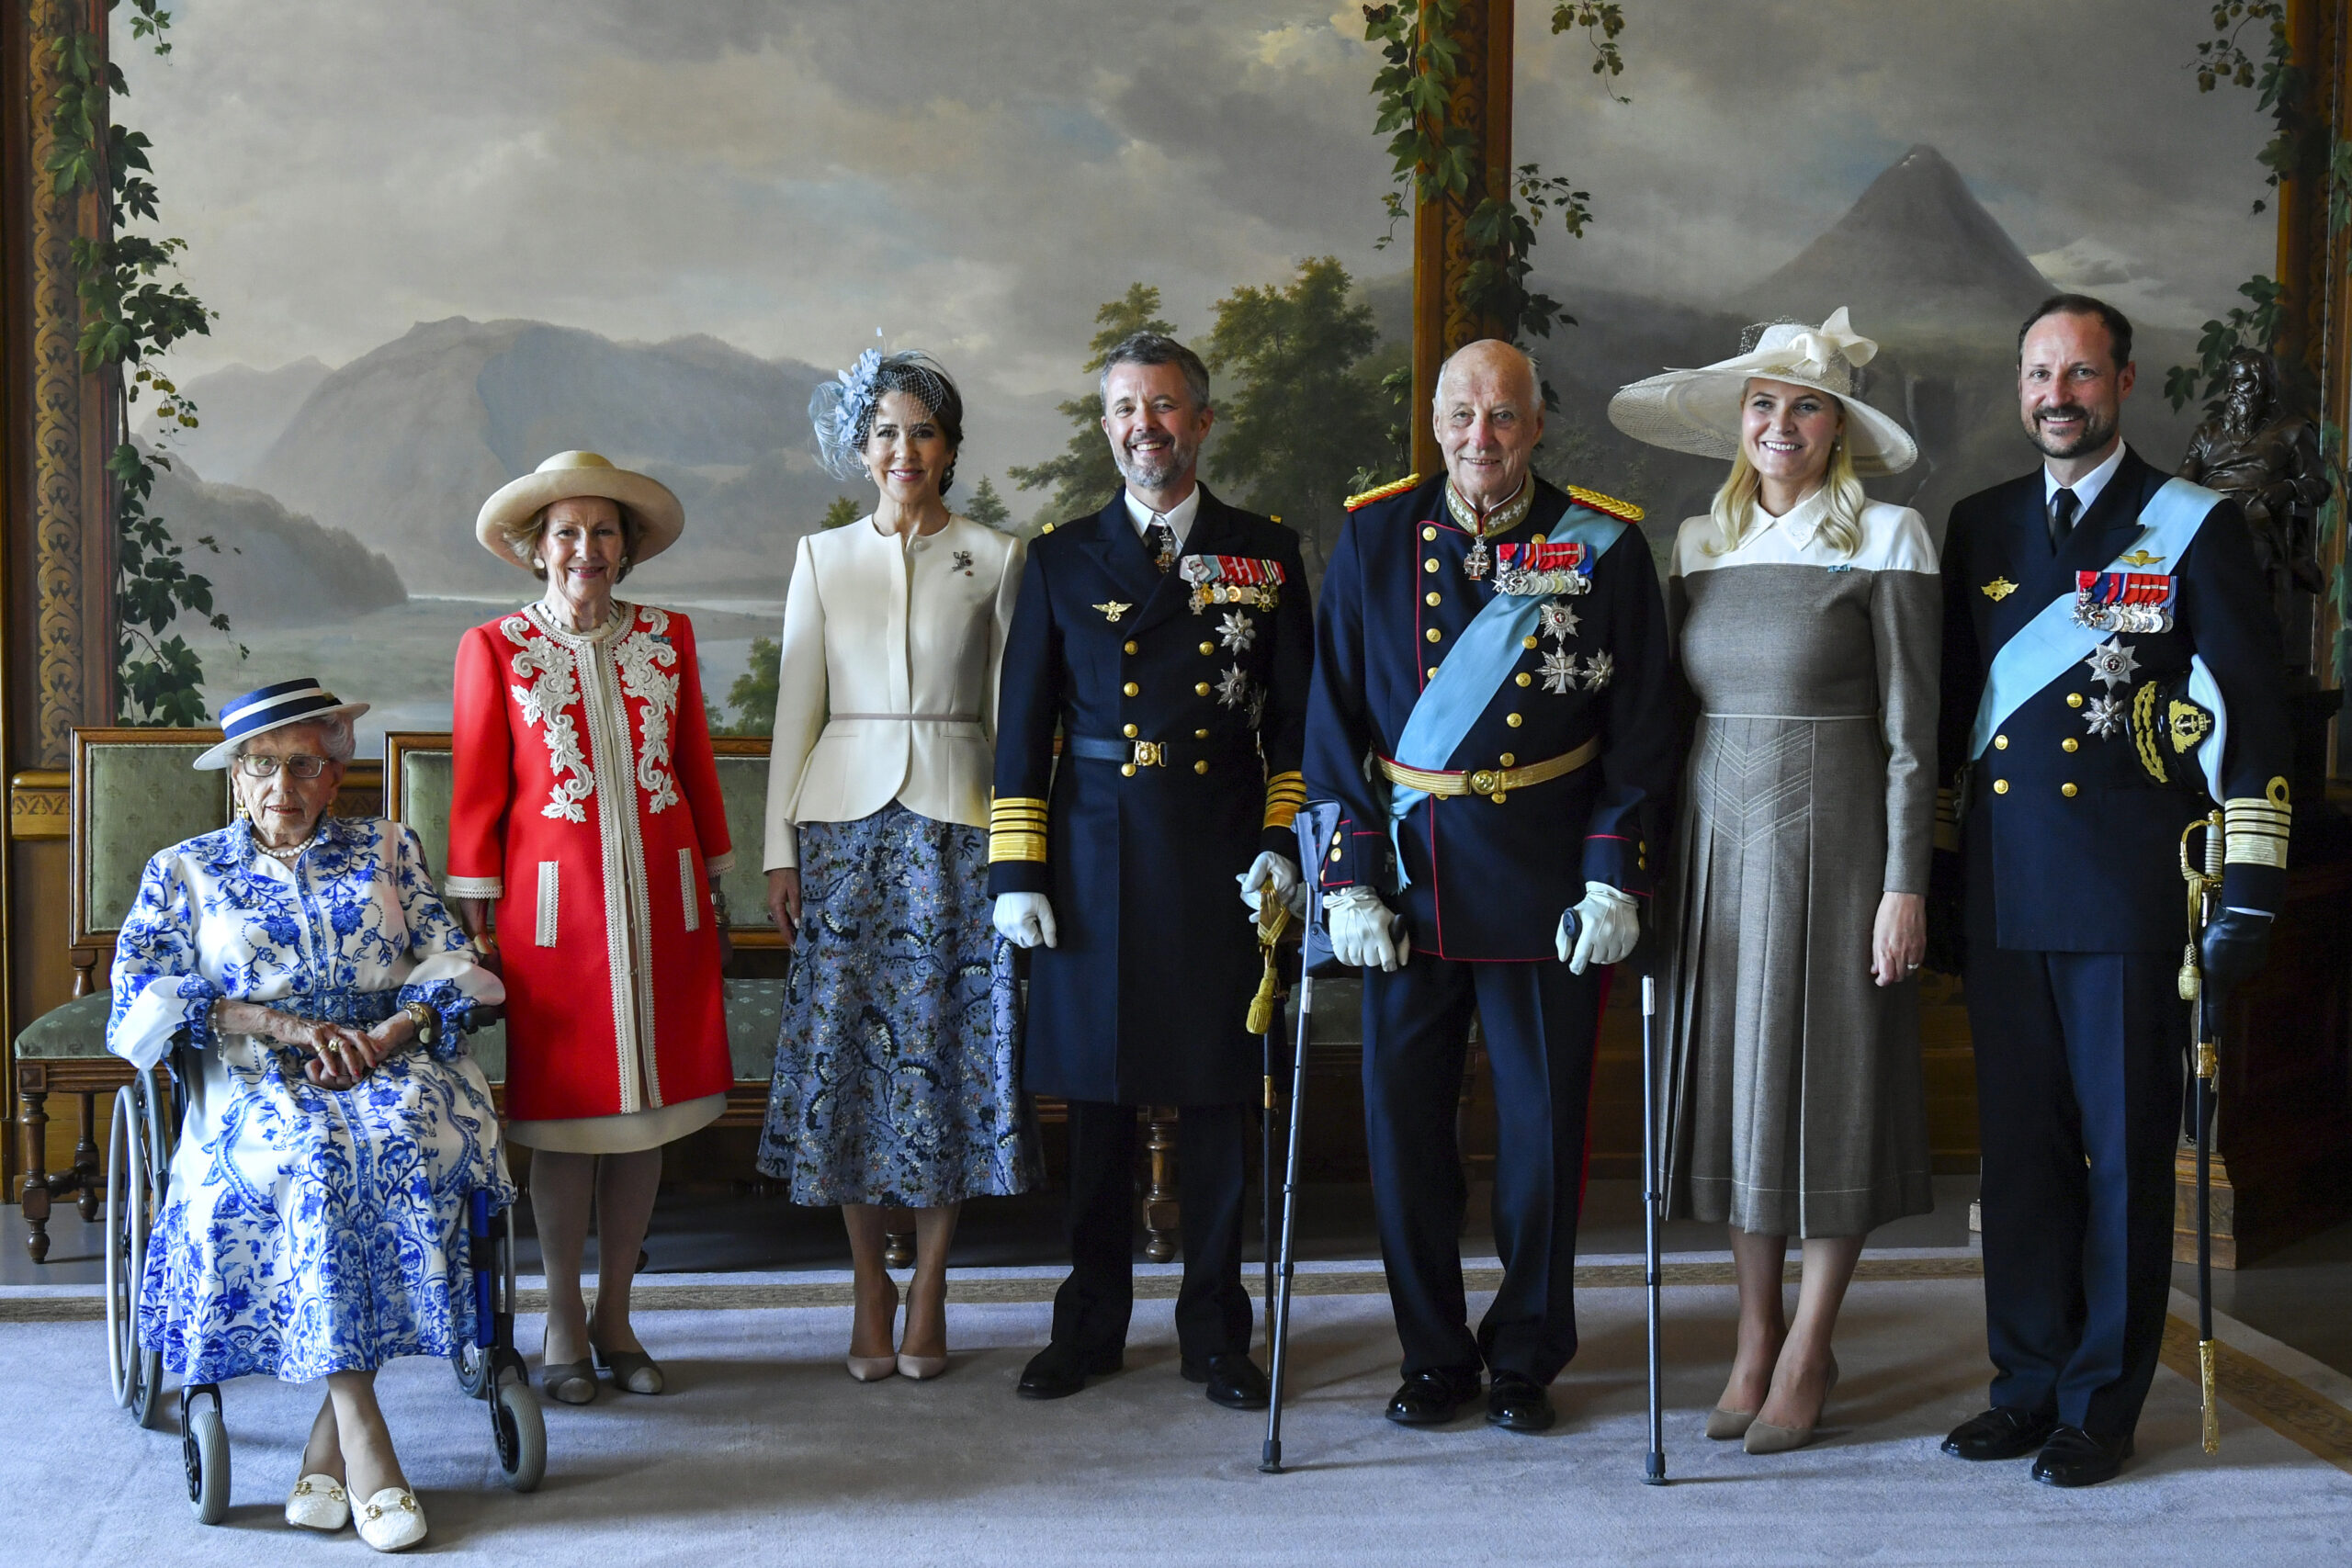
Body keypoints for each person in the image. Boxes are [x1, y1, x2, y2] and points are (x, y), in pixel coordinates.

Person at [1934, 295, 2290, 1486]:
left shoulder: (2194, 528)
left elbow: (2249, 711)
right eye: (2040, 373)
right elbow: (1950, 730)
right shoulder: (1977, 525)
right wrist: (1936, 890)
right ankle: (2025, 1382)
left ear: (2125, 383)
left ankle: (2101, 1401)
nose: (2057, 395)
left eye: (2080, 373)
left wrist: (2247, 880)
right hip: (2003, 897)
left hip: (2135, 903)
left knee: (2127, 1161)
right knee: (2019, 1159)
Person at [1304, 339, 1674, 1434]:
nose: (1481, 438)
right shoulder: (1375, 535)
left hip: (1546, 889)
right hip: (1406, 895)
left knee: (1541, 1147)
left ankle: (1524, 1353)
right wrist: (1348, 880)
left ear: (1538, 422)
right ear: (1433, 420)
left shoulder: (1603, 547)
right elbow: (1332, 728)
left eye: (1503, 416)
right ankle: (1431, 1354)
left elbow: (1642, 733)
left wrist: (1613, 879)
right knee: (1403, 1138)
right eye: (1462, 414)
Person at [1608, 309, 1938, 1454]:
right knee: (1737, 1090)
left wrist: (1905, 884)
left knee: (1831, 1079)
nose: (1779, 423)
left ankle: (1810, 1345)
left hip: (1843, 842)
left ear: (1836, 425)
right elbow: (1662, 722)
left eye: (1803, 405)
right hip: (1715, 842)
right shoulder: (1698, 545)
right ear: (1736, 425)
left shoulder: (1890, 539)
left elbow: (1911, 738)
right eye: (1762, 404)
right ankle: (1753, 1338)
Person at [989, 331, 1312, 1410]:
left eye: (1165, 408)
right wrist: (1016, 871)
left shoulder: (1265, 553)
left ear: (1203, 421)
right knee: (1098, 1107)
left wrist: (1281, 844)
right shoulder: (1062, 556)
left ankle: (1218, 1334)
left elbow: (1298, 724)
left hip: (1220, 854)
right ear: (1106, 428)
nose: (1146, 429)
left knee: (1223, 1102)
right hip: (1089, 860)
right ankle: (1086, 1326)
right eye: (1126, 410)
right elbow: (1021, 724)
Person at [110, 681, 506, 1551]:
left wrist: (393, 1028)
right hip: (254, 1075)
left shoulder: (389, 847)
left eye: (303, 764)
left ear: (334, 776)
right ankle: (365, 1434)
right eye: (261, 764)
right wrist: (285, 1024)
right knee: (316, 1158)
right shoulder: (184, 870)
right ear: (236, 778)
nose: (281, 784)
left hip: (387, 1057)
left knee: (406, 1138)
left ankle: (324, 1450)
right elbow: (138, 998)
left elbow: (453, 958)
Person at [758, 349, 1034, 1381]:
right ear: (860, 449)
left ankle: (931, 1285)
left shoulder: (1000, 558)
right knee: (846, 1064)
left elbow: (1015, 720)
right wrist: (781, 847)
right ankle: (867, 1283)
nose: (902, 449)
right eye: (884, 431)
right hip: (843, 836)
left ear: (950, 448)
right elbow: (797, 709)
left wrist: (1020, 848)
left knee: (949, 1063)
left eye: (922, 431)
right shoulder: (821, 558)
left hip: (961, 832)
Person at [449, 451, 737, 1405]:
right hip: (550, 922)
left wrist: (720, 883)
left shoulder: (668, 639)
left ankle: (618, 1314)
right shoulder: (493, 648)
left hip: (667, 904)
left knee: (643, 1120)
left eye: (603, 531)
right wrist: (479, 918)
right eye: (566, 532)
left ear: (628, 548)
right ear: (536, 551)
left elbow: (693, 765)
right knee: (567, 1123)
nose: (586, 548)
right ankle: (562, 1317)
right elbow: (481, 792)